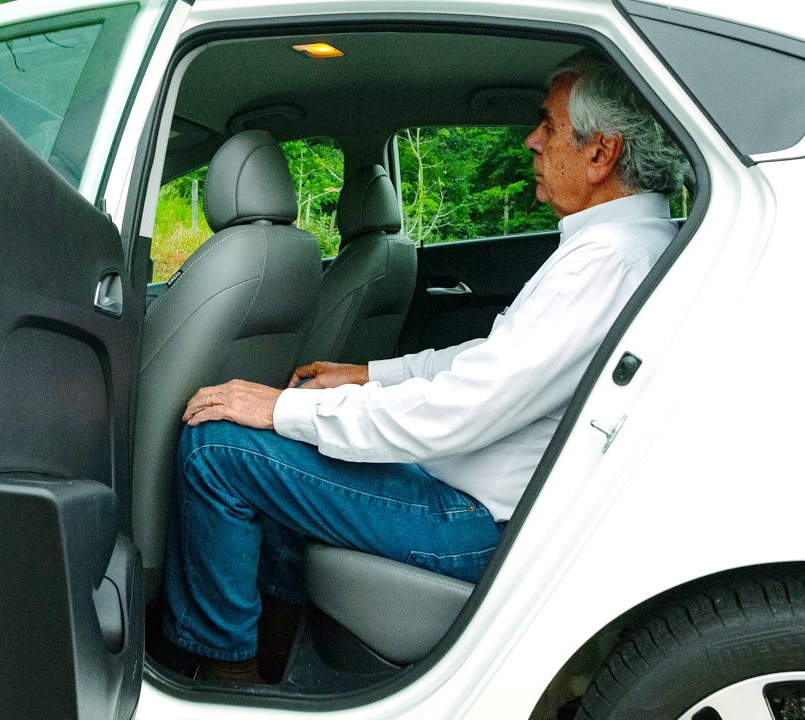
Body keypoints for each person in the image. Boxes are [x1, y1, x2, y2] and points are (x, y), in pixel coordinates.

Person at [161, 48, 690, 683]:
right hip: (482, 496)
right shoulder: (626, 248)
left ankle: (223, 676)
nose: (531, 140)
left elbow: (462, 409)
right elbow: (495, 360)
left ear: (601, 153)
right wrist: (370, 376)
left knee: (218, 449)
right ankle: (276, 663)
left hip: (476, 522)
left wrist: (283, 409)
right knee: (281, 453)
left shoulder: (605, 262)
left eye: (548, 126)